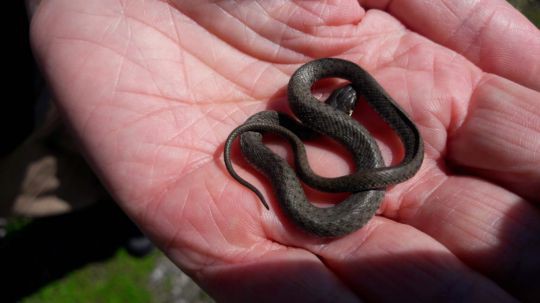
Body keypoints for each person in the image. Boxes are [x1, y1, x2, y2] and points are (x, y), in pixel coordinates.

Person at [28, 0, 540, 302]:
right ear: (328, 115)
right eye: (343, 105)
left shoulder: (315, 114)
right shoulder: (296, 109)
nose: (348, 104)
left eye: (345, 102)